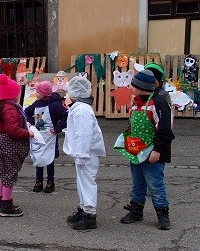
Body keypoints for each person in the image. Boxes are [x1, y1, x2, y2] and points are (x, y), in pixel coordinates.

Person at [115, 70, 174, 230]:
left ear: (141, 87)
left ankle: (162, 213)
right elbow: (133, 125)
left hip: (152, 153)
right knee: (138, 183)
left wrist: (157, 150)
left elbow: (165, 129)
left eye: (132, 85)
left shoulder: (158, 103)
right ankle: (136, 210)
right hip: (137, 151)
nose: (130, 88)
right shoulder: (136, 103)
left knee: (155, 184)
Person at [63, 76, 106, 230]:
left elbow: (84, 134)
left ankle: (89, 214)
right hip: (84, 152)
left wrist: (81, 155)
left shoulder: (81, 110)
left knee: (87, 182)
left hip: (87, 153)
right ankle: (83, 208)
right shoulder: (80, 108)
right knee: (82, 182)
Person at [0, 73, 34, 216]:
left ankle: (1, 200)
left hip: (0, 143)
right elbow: (12, 130)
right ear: (13, 94)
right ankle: (6, 205)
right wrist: (27, 133)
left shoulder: (1, 106)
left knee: (4, 173)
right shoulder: (10, 109)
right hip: (9, 145)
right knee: (10, 174)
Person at [24, 80, 68, 193]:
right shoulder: (37, 103)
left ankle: (50, 181)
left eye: (38, 92)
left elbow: (65, 116)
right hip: (39, 135)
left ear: (44, 94)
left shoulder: (54, 105)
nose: (36, 94)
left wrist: (57, 129)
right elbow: (27, 112)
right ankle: (38, 181)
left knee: (49, 159)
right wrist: (31, 123)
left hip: (50, 136)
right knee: (38, 157)